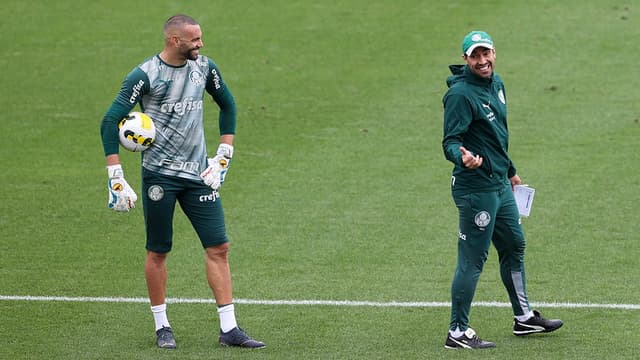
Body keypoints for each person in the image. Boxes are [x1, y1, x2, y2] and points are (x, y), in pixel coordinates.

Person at [99, 14, 265, 350]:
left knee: (219, 246)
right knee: (158, 251)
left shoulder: (205, 68)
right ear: (175, 41)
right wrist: (115, 176)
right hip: (160, 176)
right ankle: (163, 327)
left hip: (200, 176)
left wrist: (223, 155)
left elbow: (228, 105)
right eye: (195, 40)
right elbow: (109, 122)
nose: (201, 45)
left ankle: (229, 328)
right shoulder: (145, 75)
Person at [441, 30, 563, 349]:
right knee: (472, 259)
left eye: (486, 54)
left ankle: (524, 318)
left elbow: (497, 134)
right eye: (475, 55)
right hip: (475, 189)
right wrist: (462, 157)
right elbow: (450, 142)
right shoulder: (460, 95)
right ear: (466, 59)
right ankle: (457, 331)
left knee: (514, 245)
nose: (482, 60)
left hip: (499, 185)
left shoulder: (497, 83)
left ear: (494, 53)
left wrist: (510, 171)